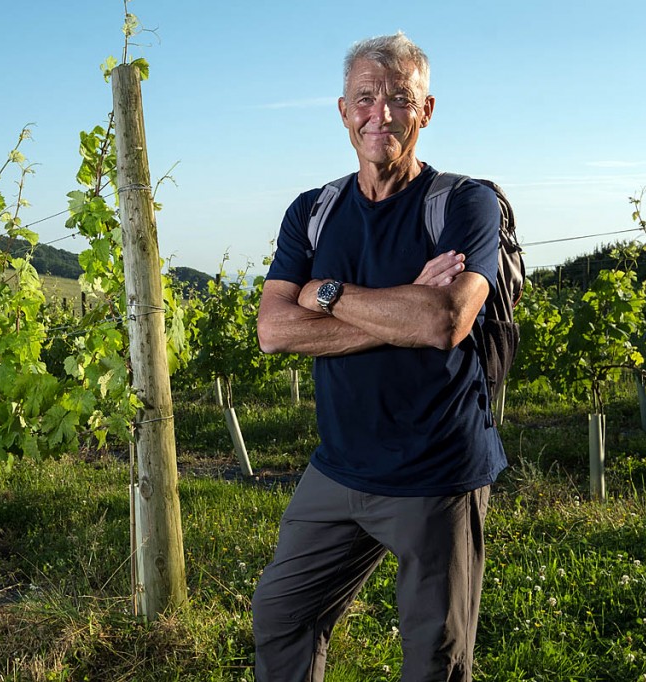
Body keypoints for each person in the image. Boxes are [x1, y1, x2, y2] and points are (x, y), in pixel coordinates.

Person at [251, 32, 507, 682]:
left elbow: (444, 320)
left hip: (436, 473)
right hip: (339, 468)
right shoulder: (313, 211)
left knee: (433, 659)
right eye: (365, 98)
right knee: (281, 614)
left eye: (400, 99)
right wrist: (401, 307)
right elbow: (274, 330)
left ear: (426, 111)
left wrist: (326, 294)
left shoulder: (465, 203)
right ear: (343, 110)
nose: (381, 114)